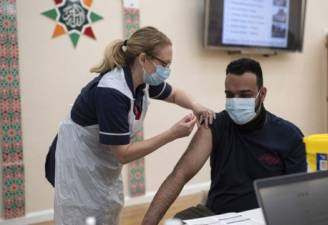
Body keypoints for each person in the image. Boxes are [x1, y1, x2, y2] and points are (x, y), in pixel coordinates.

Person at [44, 26, 215, 225]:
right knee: (82, 217)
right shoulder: (112, 91)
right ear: (143, 59)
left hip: (101, 161)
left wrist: (196, 105)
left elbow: (175, 94)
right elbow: (123, 154)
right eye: (164, 64)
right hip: (78, 163)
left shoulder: (143, 80)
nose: (167, 70)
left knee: (107, 210)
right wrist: (172, 134)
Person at [141, 58, 307, 225]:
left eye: (244, 95)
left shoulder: (289, 136)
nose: (235, 101)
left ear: (262, 94)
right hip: (215, 215)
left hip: (265, 218)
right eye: (229, 95)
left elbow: (298, 196)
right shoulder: (214, 125)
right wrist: (148, 223)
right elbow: (180, 174)